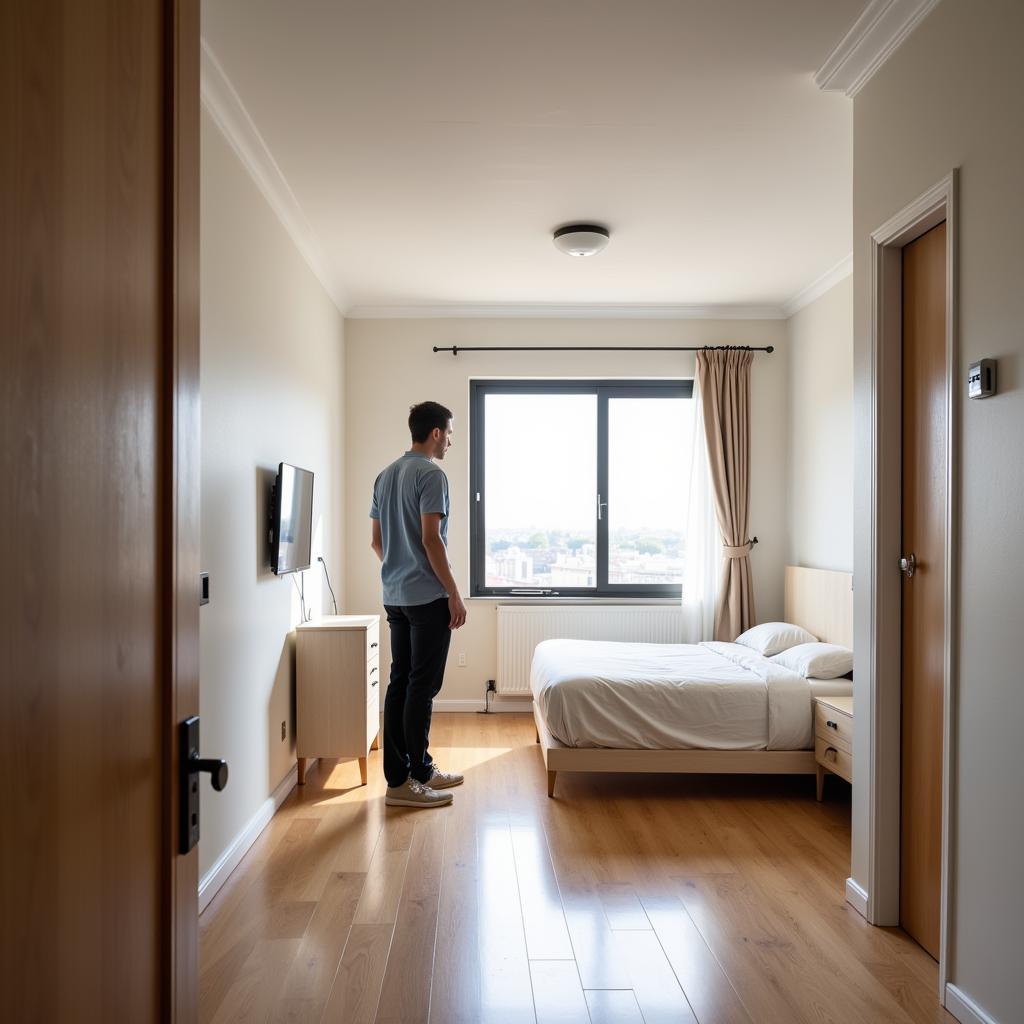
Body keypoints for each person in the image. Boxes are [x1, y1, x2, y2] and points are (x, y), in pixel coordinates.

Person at [370, 401, 468, 808]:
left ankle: (416, 770)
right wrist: (453, 592)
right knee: (421, 688)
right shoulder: (431, 474)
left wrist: (400, 569)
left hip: (395, 595)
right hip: (427, 599)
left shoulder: (385, 475)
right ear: (435, 433)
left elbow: (377, 542)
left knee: (401, 682)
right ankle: (404, 782)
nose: (450, 441)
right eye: (449, 433)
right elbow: (432, 539)